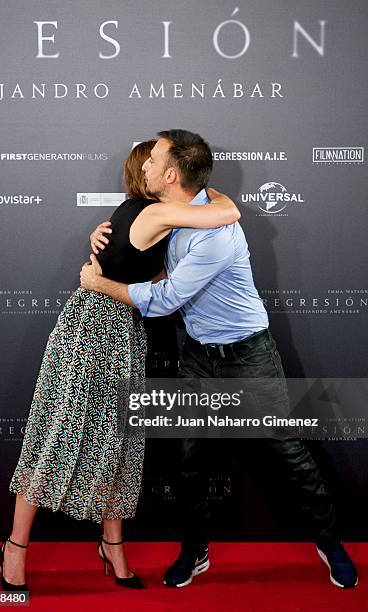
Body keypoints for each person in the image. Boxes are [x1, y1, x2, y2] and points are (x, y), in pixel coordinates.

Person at [81, 129, 359, 590]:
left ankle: (330, 543)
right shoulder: (174, 210)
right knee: (190, 460)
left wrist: (99, 284)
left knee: (288, 454)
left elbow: (166, 297)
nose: (143, 165)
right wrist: (107, 246)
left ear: (171, 175)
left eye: (153, 160)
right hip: (197, 355)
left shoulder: (217, 235)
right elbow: (141, 248)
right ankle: (195, 550)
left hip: (247, 354)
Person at [0, 139, 241, 593]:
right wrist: (215, 193)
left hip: (124, 330)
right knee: (56, 438)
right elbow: (225, 211)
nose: (149, 167)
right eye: (147, 161)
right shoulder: (151, 213)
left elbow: (150, 273)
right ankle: (14, 548)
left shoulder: (139, 214)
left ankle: (113, 547)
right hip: (90, 330)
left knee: (120, 446)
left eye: (156, 161)